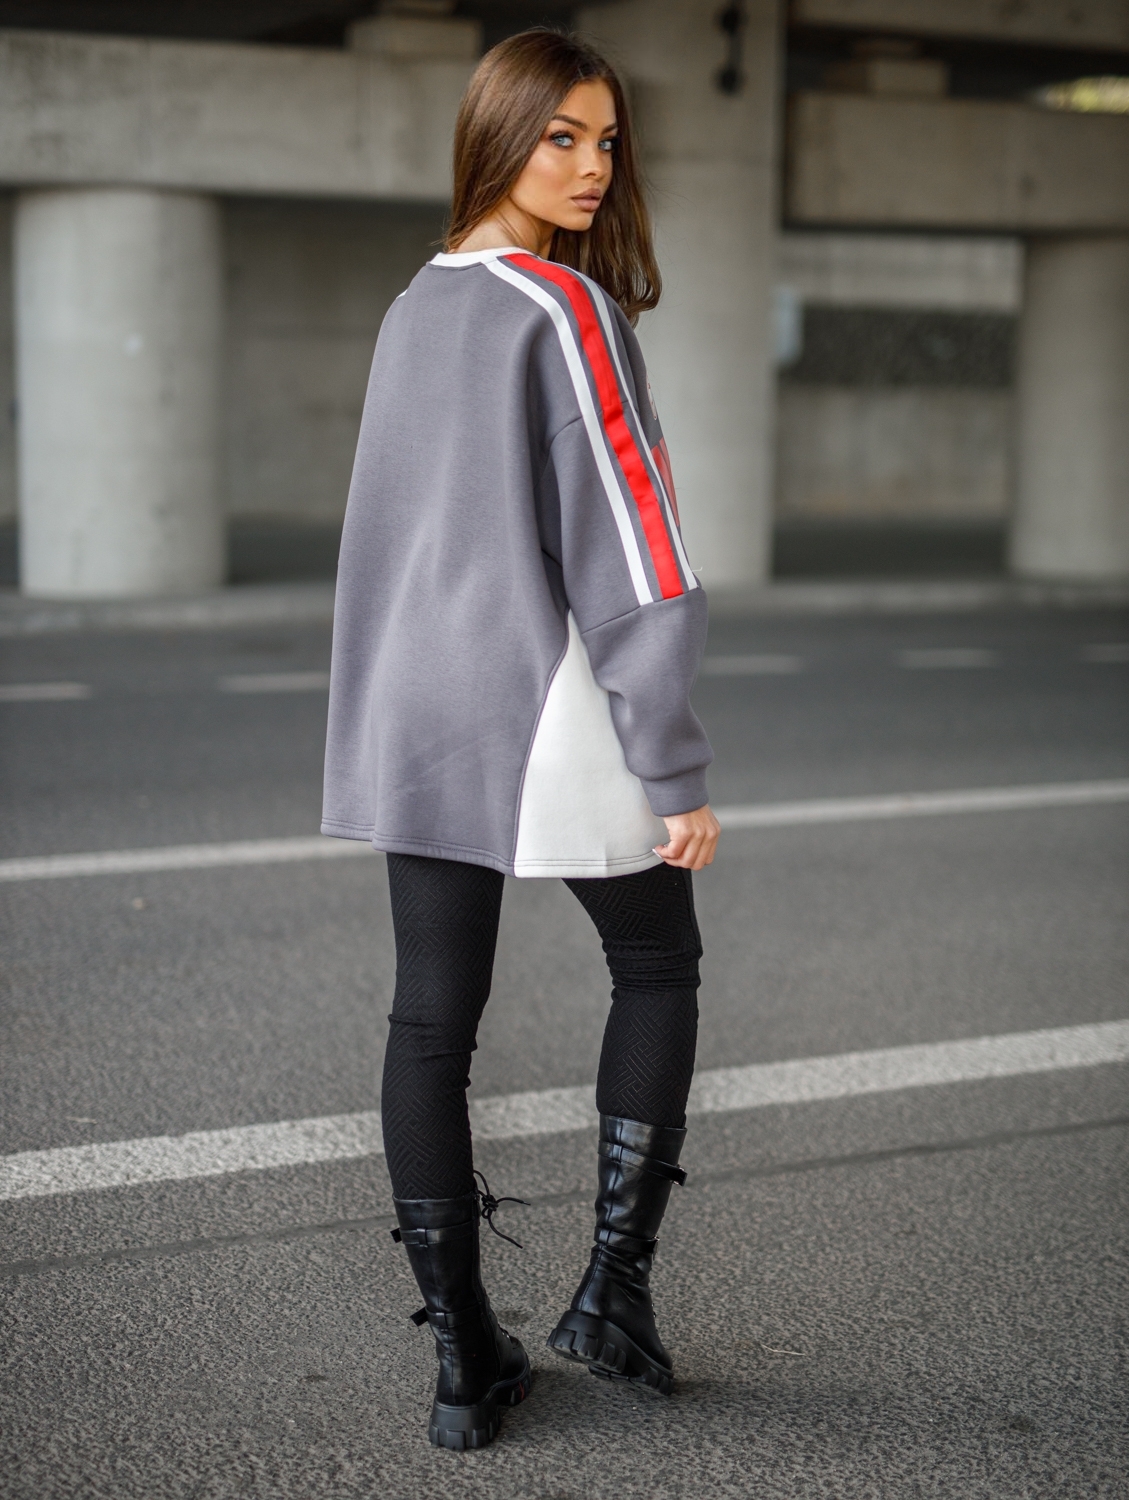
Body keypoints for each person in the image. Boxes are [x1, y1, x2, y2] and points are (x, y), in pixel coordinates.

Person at [322, 28, 720, 1452]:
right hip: (542, 701)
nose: (591, 165)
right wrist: (672, 765)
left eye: (606, 141)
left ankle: (464, 1364)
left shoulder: (414, 305)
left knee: (430, 1020)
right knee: (657, 963)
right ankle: (612, 1294)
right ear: (496, 135)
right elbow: (632, 551)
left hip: (416, 706)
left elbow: (390, 538)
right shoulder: (563, 309)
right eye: (561, 135)